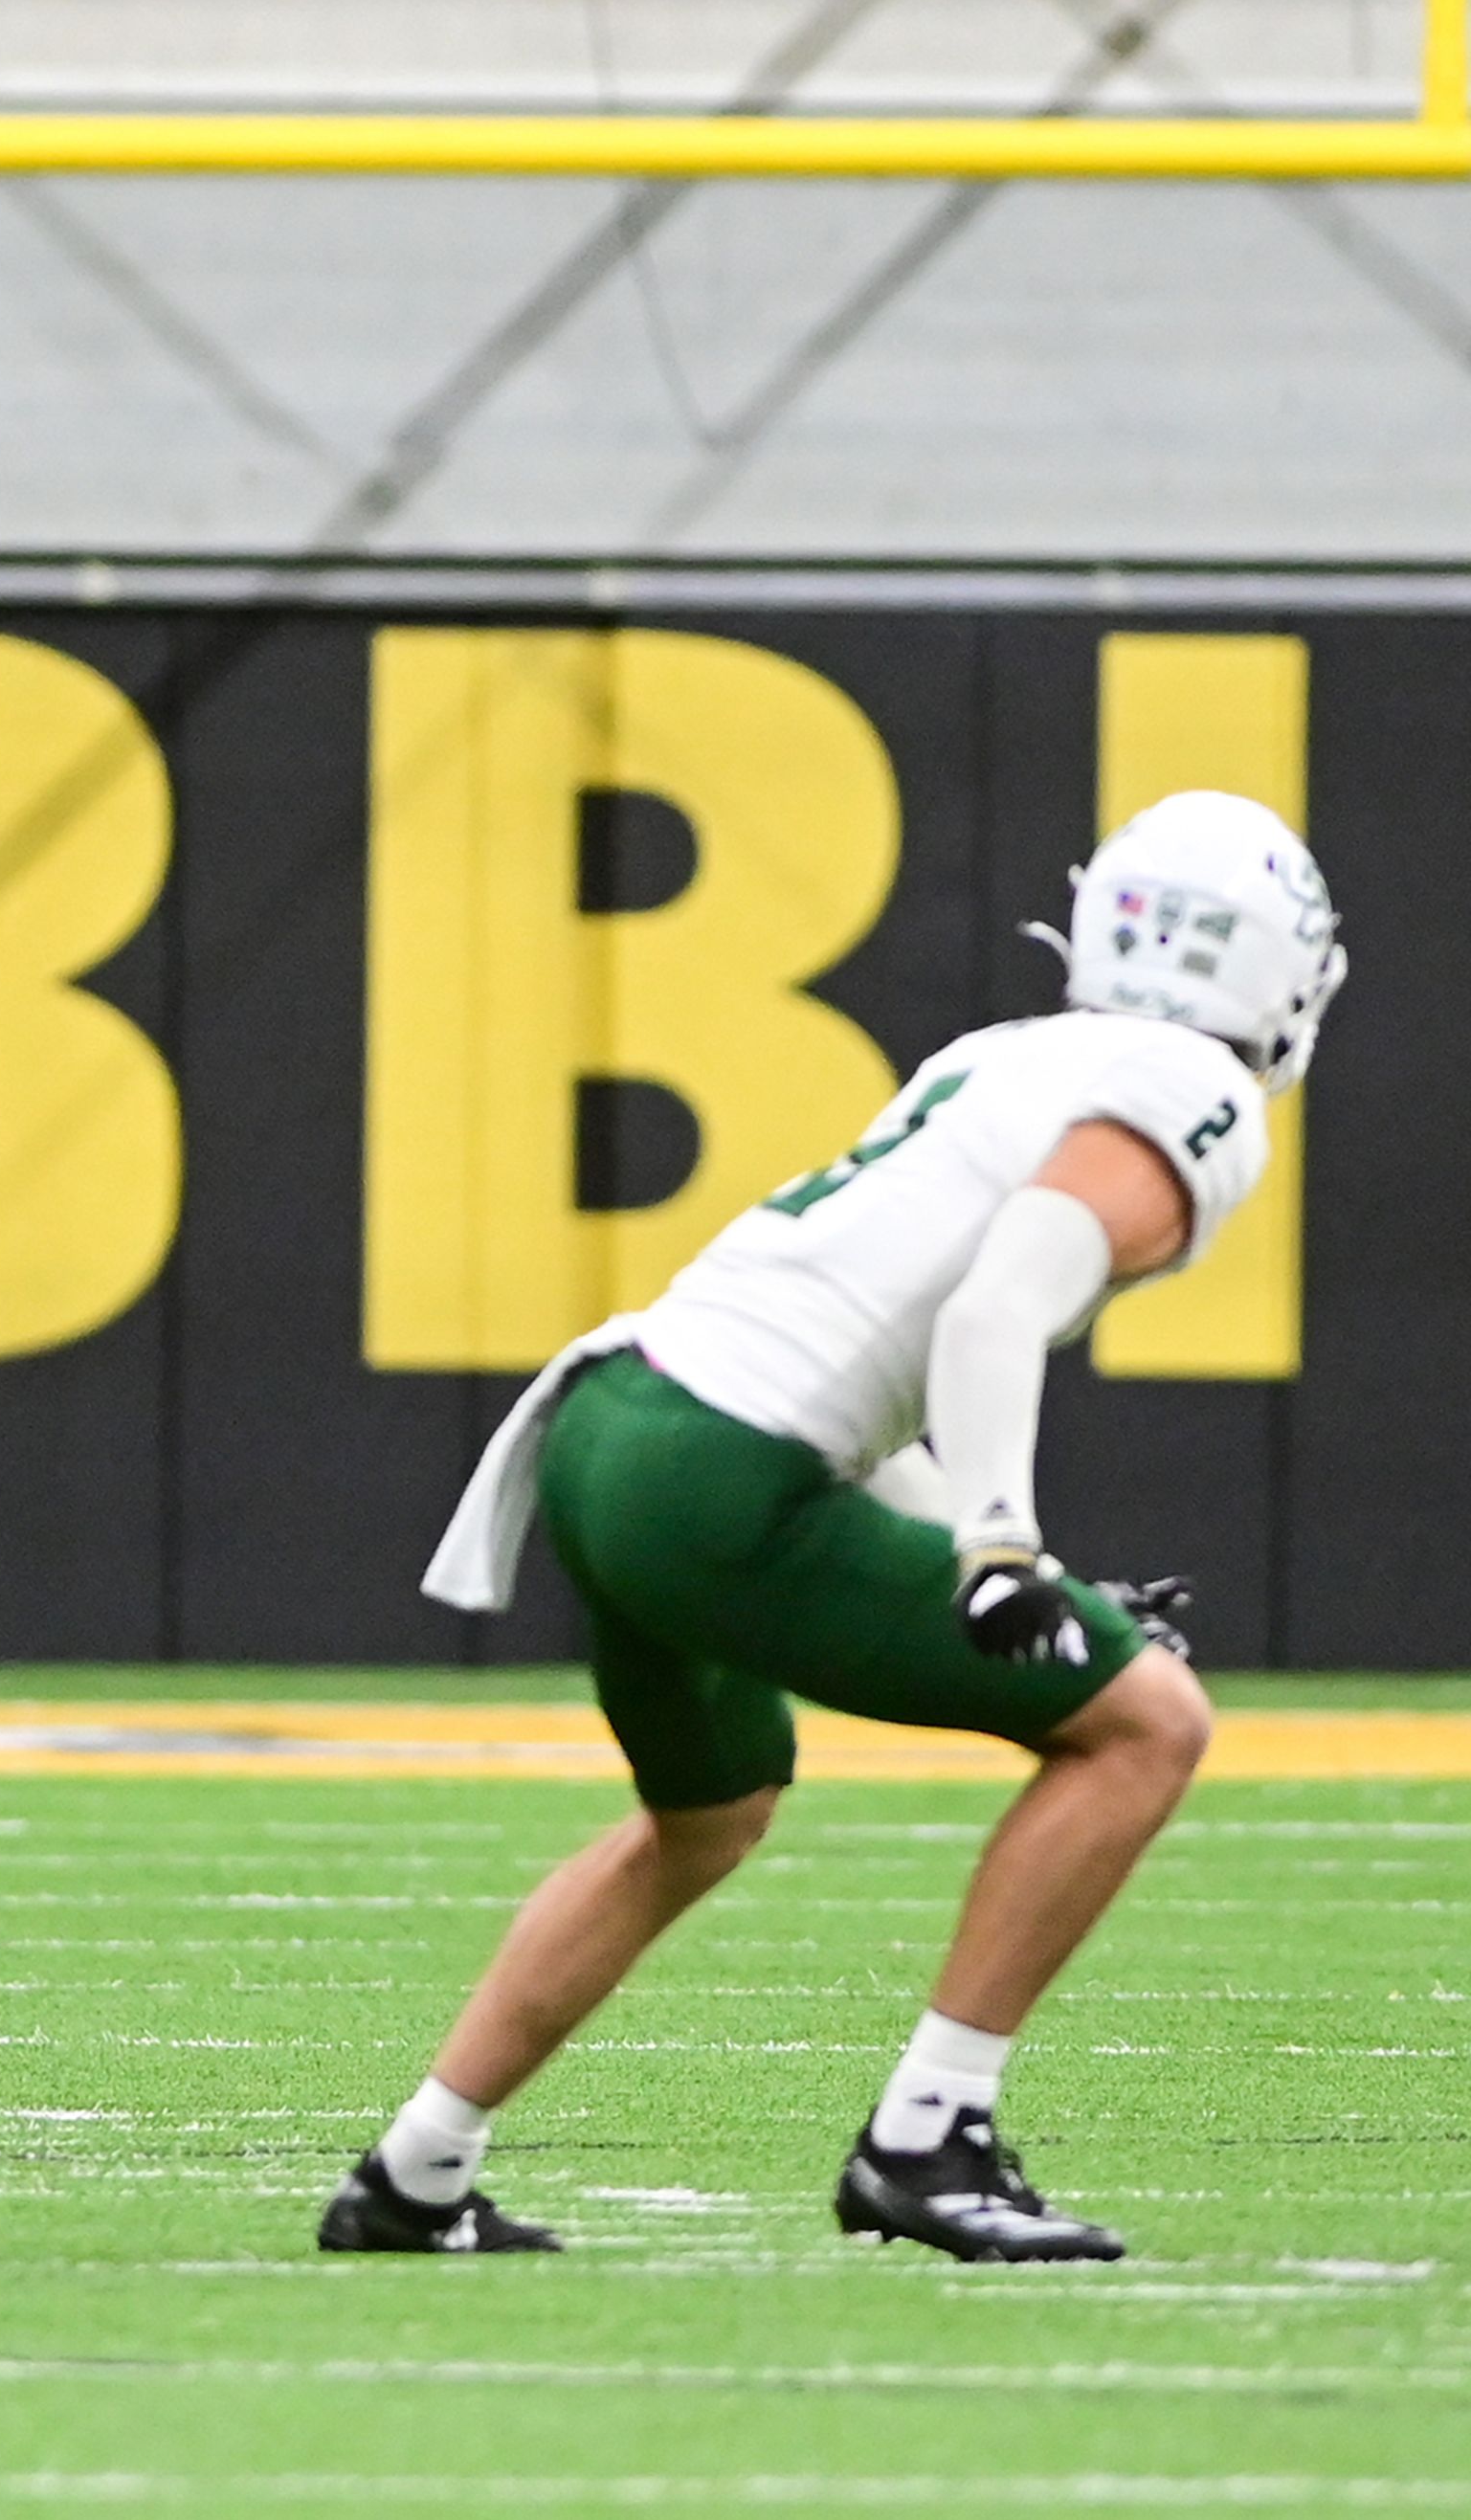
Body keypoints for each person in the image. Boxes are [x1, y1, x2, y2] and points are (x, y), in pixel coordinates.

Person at [333, 791, 1347, 2263]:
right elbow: (999, 1303)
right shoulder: (1195, 1093)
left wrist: (1018, 1561)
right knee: (1149, 1727)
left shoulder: (1005, 1054)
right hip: (717, 1474)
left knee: (704, 1817)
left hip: (618, 1423)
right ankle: (929, 2138)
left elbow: (849, 1387)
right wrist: (1002, 1549)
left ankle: (416, 2171)